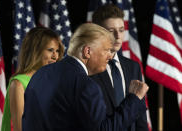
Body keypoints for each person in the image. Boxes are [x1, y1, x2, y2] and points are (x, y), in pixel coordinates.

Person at [22, 23, 149, 131]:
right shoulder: (85, 85)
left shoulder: (41, 73)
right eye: (106, 50)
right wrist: (134, 98)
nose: (110, 57)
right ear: (87, 51)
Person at [90, 3, 148, 131]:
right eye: (111, 31)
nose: (118, 36)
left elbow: (140, 118)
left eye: (121, 30)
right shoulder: (89, 69)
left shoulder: (133, 67)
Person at [1, 26, 64, 131]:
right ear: (35, 51)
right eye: (50, 50)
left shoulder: (53, 83)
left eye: (57, 51)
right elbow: (20, 128)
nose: (55, 56)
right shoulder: (18, 84)